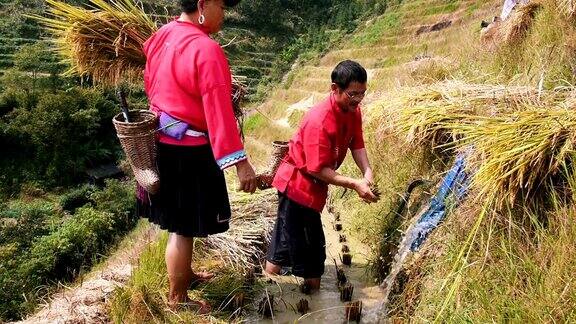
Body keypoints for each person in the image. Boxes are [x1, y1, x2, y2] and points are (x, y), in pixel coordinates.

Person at [140, 0, 257, 312]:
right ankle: (178, 301)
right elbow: (218, 110)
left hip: (163, 144)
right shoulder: (206, 49)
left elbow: (150, 82)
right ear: (203, 4)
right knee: (183, 228)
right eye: (221, 6)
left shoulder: (161, 35)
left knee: (183, 222)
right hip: (189, 152)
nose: (224, 14)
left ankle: (186, 275)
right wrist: (240, 162)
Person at [264, 60, 380, 291]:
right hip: (298, 188)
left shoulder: (352, 111)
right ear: (334, 88)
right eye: (352, 94)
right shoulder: (319, 120)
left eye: (362, 94)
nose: (358, 100)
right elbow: (316, 169)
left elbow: (357, 143)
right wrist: (354, 183)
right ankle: (275, 294)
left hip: (312, 186)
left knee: (284, 239)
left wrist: (367, 172)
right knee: (312, 256)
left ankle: (270, 284)